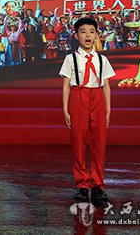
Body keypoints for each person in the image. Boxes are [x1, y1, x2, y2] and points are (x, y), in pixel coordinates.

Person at [59, 18, 115, 206]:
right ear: (76, 36)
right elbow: (66, 86)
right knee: (78, 142)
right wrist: (65, 109)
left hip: (98, 97)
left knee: (99, 143)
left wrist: (108, 110)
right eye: (83, 31)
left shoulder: (102, 59)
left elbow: (106, 86)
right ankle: (82, 185)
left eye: (92, 31)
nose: (88, 35)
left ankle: (98, 185)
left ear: (97, 35)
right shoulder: (71, 58)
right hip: (78, 96)